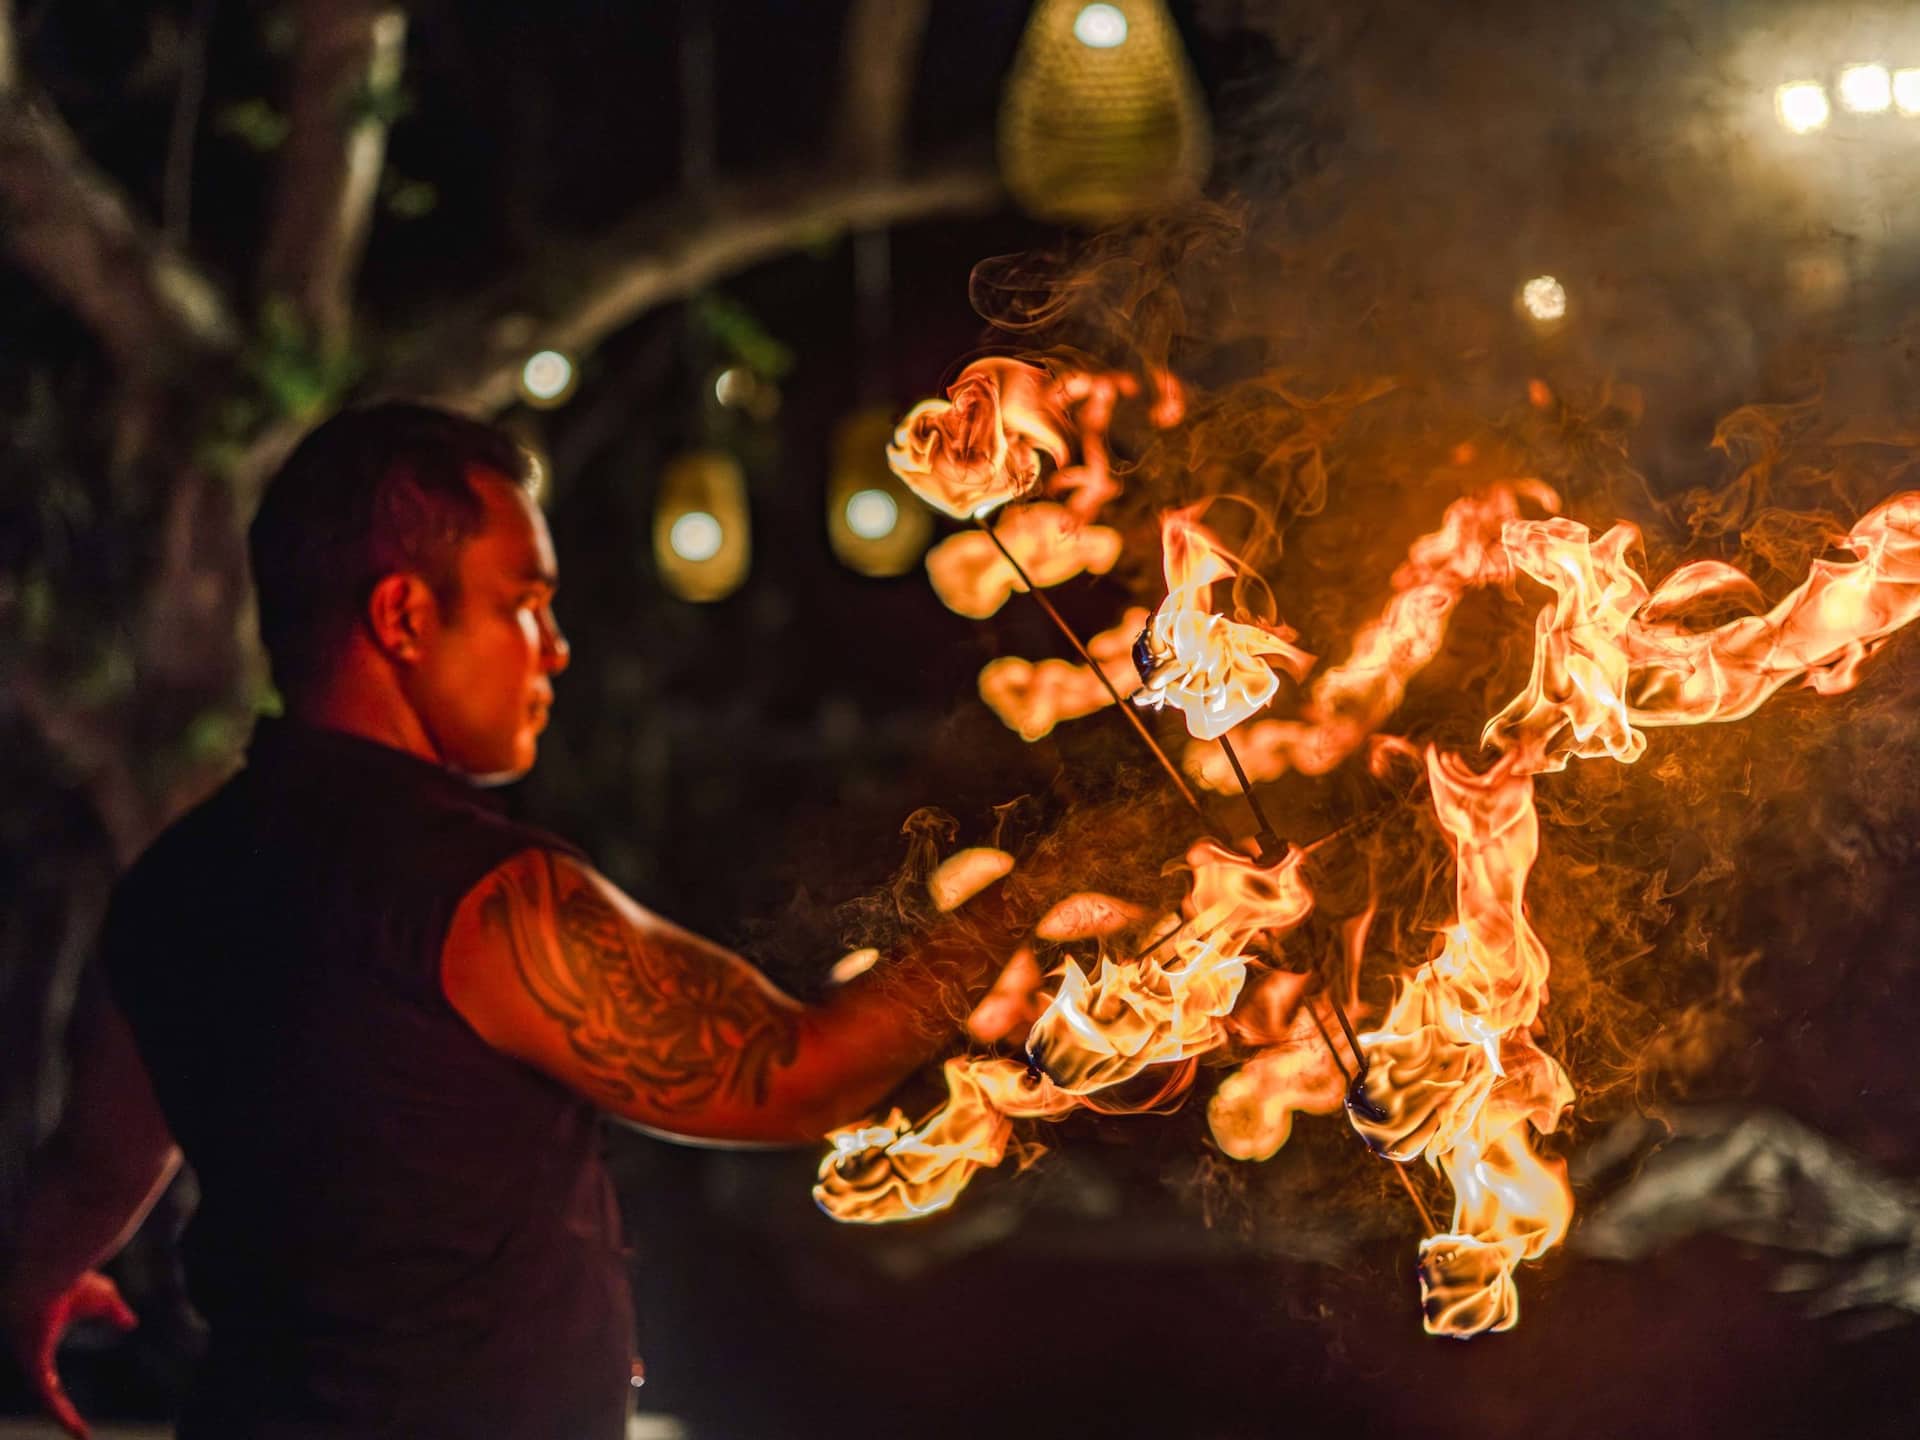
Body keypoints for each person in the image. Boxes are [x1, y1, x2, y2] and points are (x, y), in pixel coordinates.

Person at [0, 403, 1025, 1439]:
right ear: (402, 618)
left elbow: (96, 1164)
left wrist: (29, 1285)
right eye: (524, 606)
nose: (557, 650)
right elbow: (803, 1074)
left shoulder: (177, 884)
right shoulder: (480, 897)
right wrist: (1040, 897)